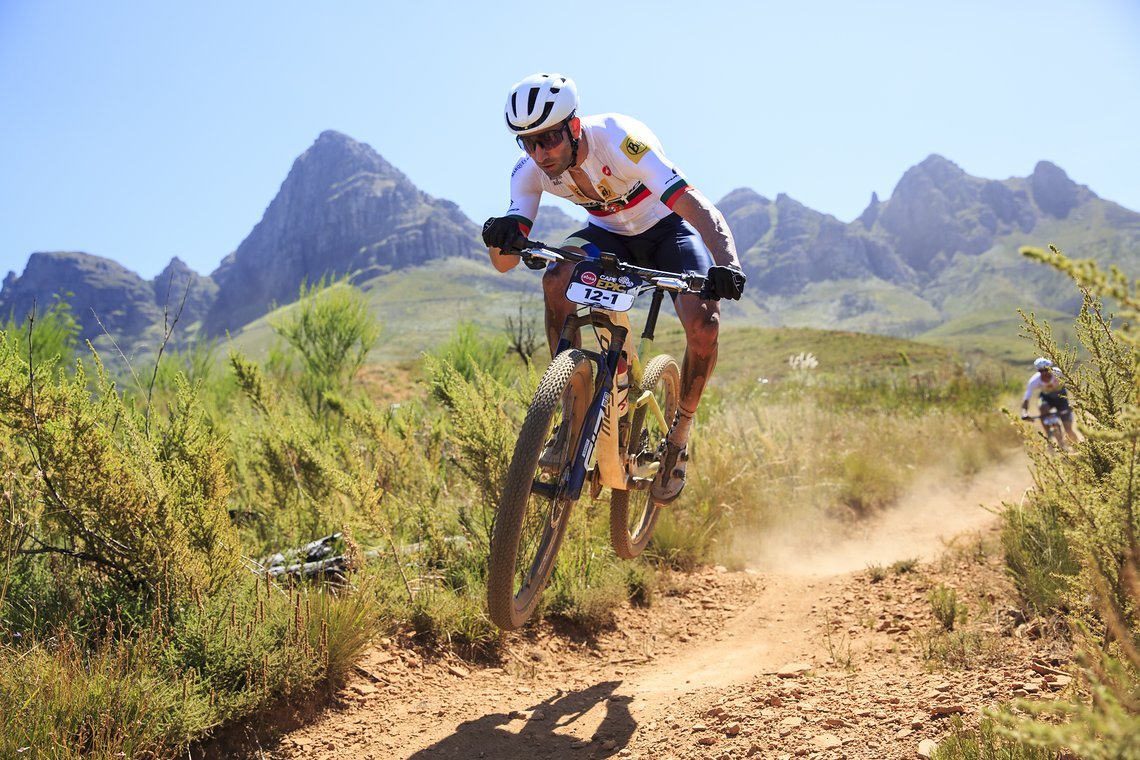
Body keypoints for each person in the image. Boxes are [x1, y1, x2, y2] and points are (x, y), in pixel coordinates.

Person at [481, 72, 747, 504]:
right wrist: (502, 236)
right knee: (555, 279)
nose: (539, 153)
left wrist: (727, 263)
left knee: (704, 323)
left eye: (547, 139)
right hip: (606, 236)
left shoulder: (621, 139)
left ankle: (679, 434)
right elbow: (505, 265)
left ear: (573, 125)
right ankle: (571, 410)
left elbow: (695, 204)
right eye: (527, 143)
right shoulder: (529, 171)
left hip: (667, 233)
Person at [1020, 357, 1078, 445]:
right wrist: (1024, 413)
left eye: (1046, 370)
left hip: (1061, 398)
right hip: (1047, 398)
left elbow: (1073, 385)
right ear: (1038, 371)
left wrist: (1076, 401)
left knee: (1068, 429)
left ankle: (1078, 448)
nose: (1044, 373)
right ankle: (1049, 434)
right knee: (1043, 407)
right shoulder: (1033, 381)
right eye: (1041, 371)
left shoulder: (1058, 373)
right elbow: (1026, 398)